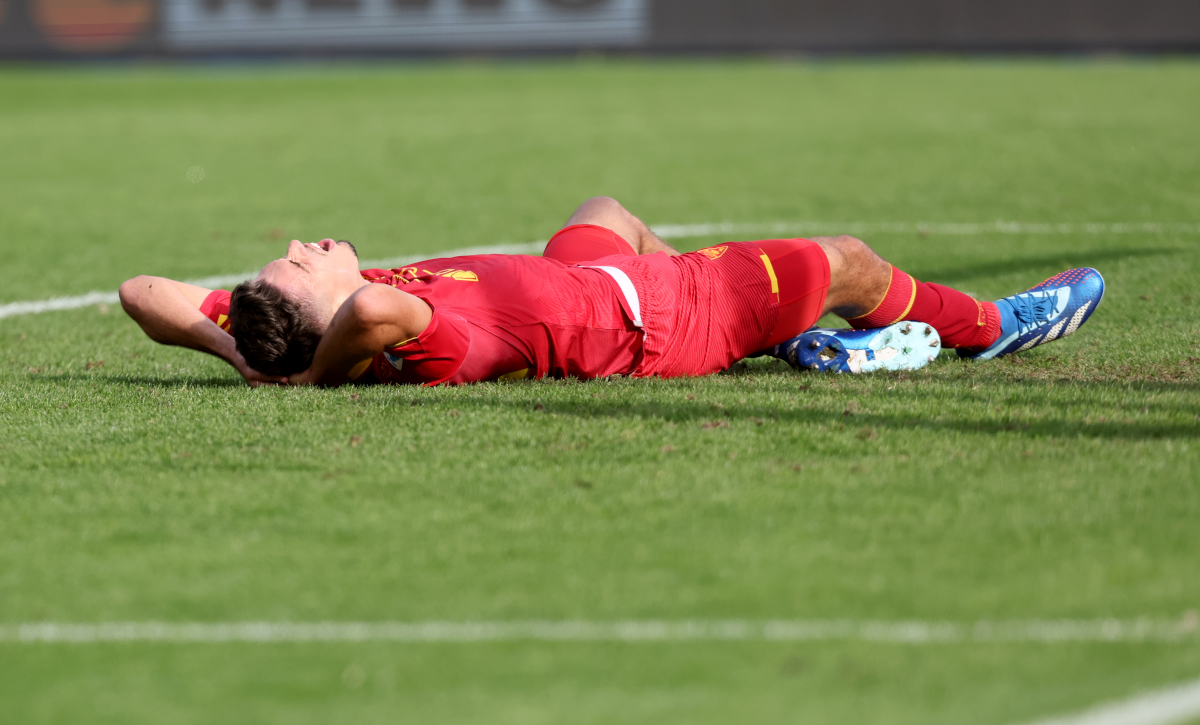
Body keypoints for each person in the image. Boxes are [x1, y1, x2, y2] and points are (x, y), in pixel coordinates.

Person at [119, 197, 1104, 388]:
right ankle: (998, 327)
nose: (300, 241)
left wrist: (238, 351)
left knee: (604, 205)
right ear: (324, 314)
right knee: (842, 257)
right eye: (297, 262)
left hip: (599, 274)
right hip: (656, 320)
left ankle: (768, 331)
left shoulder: (294, 321)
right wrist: (311, 378)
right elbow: (373, 316)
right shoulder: (398, 332)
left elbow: (140, 289)